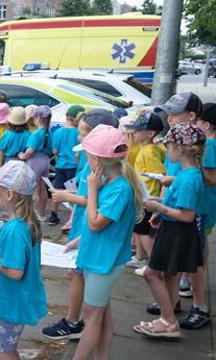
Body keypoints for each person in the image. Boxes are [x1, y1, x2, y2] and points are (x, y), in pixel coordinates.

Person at [42, 109, 119, 341]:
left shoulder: (99, 166)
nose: (78, 136)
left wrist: (66, 197)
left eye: (83, 132)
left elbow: (94, 199)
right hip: (83, 223)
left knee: (77, 273)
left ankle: (74, 321)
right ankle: (82, 319)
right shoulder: (93, 161)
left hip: (89, 224)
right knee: (77, 274)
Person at [73, 125, 143, 359]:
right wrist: (80, 241)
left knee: (91, 316)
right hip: (99, 256)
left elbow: (95, 223)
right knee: (101, 314)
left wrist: (92, 190)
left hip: (105, 261)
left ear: (97, 160)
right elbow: (99, 227)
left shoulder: (119, 190)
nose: (86, 162)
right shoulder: (112, 184)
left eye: (88, 157)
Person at [133, 123, 206, 339]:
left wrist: (159, 207)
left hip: (177, 233)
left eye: (169, 146)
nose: (167, 150)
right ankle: (169, 315)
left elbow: (187, 215)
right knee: (169, 275)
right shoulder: (188, 175)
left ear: (179, 148)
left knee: (150, 274)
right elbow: (179, 206)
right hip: (175, 230)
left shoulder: (188, 179)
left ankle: (168, 320)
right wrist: (162, 206)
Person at [0, 160, 47, 360]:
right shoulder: (27, 222)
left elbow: (15, 273)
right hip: (20, 299)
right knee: (3, 342)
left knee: (5, 349)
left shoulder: (14, 230)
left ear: (9, 194)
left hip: (12, 302)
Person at [182, 103, 216, 330]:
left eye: (197, 122)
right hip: (213, 202)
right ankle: (189, 283)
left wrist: (191, 173)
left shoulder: (209, 145)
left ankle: (199, 303)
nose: (194, 125)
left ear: (206, 124)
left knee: (196, 251)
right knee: (201, 244)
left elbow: (211, 177)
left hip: (201, 204)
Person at [124, 111, 166, 278]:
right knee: (139, 228)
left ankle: (154, 263)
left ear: (150, 133)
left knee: (143, 232)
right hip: (143, 196)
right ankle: (140, 257)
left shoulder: (148, 151)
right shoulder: (148, 148)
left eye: (138, 130)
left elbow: (159, 173)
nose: (134, 133)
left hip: (147, 197)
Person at [48, 105, 83, 226]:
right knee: (73, 192)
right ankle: (72, 217)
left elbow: (54, 151)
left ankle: (53, 214)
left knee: (57, 190)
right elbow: (78, 154)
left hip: (60, 165)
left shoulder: (58, 132)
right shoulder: (78, 132)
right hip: (73, 166)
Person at [18, 105, 51, 221]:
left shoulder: (36, 133)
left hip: (35, 161)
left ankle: (34, 213)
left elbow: (30, 150)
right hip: (45, 160)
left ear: (38, 118)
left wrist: (23, 156)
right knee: (43, 188)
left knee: (35, 188)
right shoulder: (48, 132)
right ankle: (42, 214)